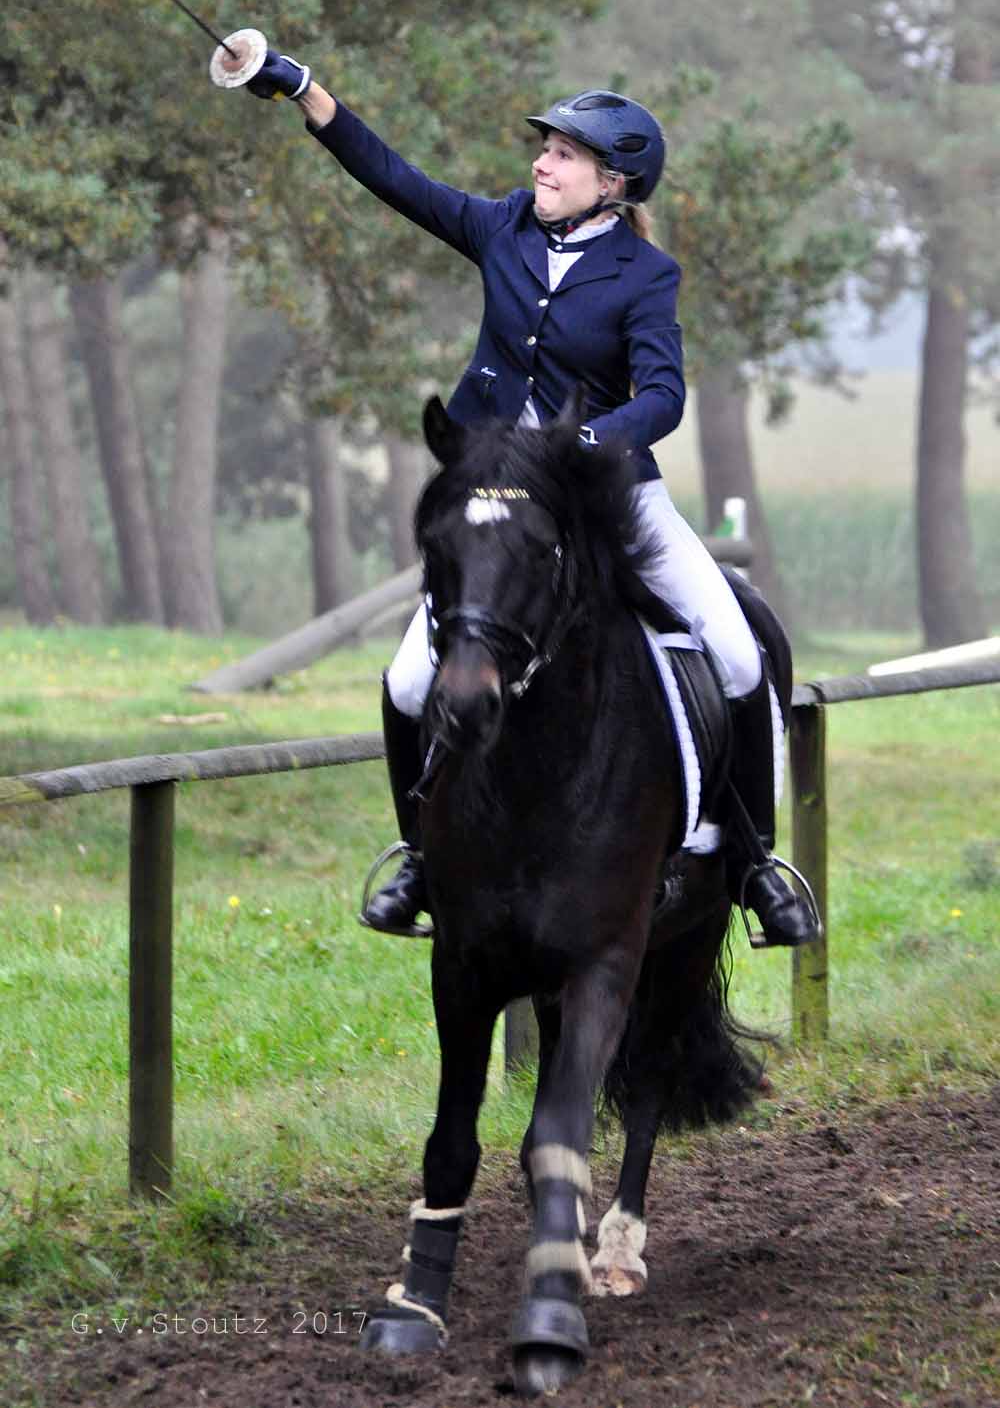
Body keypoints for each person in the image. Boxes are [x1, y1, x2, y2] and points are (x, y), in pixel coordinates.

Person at [244, 52, 819, 949]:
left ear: (612, 184)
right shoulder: (502, 227)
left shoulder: (645, 274)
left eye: (562, 154)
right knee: (407, 681)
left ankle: (754, 865)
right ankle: (418, 860)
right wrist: (301, 88)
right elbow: (395, 178)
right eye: (545, 149)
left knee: (742, 656)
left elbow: (663, 397)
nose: (541, 164)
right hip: (498, 497)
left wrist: (581, 443)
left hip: (609, 497)